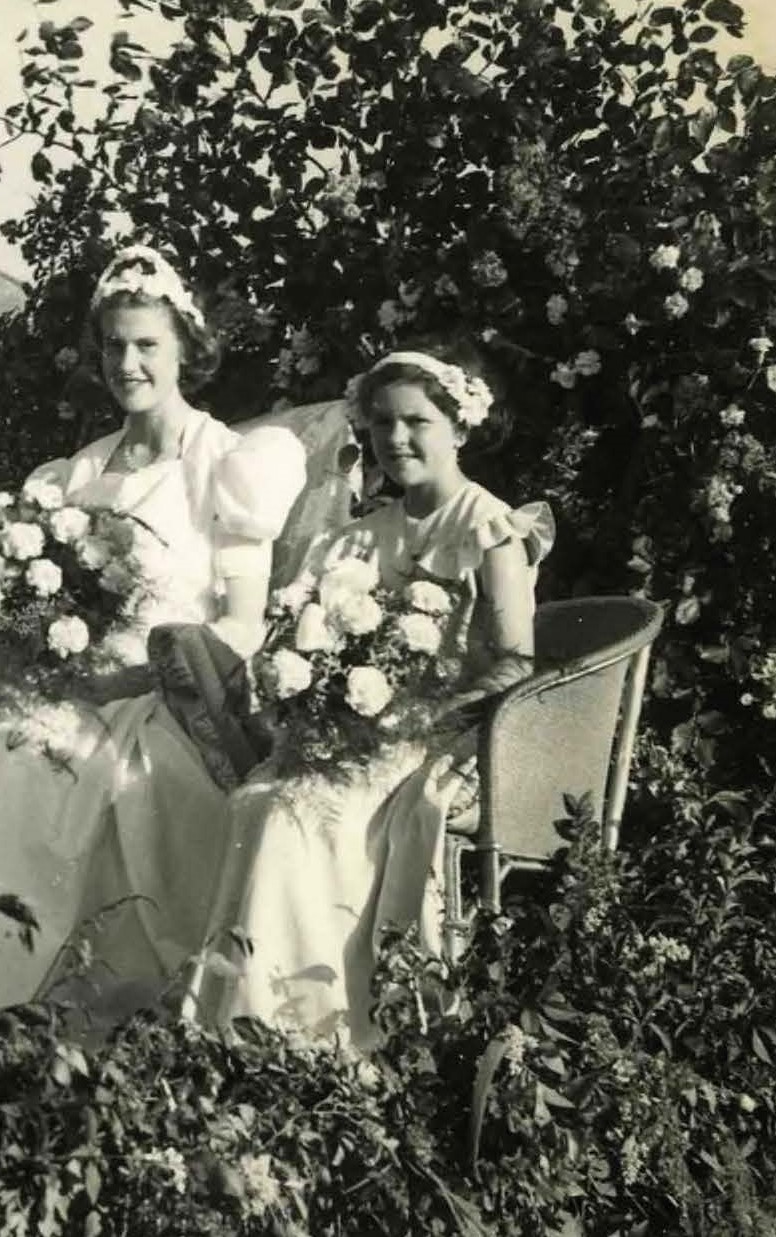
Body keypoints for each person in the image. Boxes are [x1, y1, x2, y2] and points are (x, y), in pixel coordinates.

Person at [0, 244, 309, 1025]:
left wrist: (154, 674)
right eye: (114, 345)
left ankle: (65, 1001)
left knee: (51, 777)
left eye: (147, 345)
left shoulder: (229, 462)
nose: (127, 362)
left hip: (164, 693)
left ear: (184, 351)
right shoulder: (73, 472)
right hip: (67, 684)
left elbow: (243, 618)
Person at [189, 345, 552, 1049]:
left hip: (439, 733)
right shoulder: (356, 537)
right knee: (255, 798)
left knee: (296, 814)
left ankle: (319, 1030)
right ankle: (244, 1018)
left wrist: (412, 718)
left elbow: (515, 666)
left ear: (461, 426)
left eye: (417, 420)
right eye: (381, 422)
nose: (395, 439)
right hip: (356, 729)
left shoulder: (489, 529)